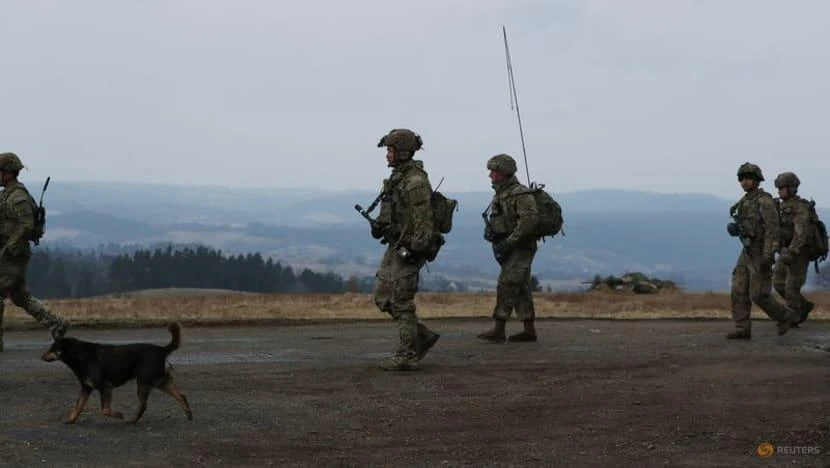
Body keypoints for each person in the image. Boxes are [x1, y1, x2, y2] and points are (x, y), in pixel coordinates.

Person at [370, 129, 440, 370]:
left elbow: (424, 220)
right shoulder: (397, 179)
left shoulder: (415, 182)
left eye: (390, 150)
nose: (387, 155)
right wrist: (380, 226)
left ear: (403, 152)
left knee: (402, 300)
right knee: (382, 295)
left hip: (409, 248)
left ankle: (407, 354)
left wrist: (416, 249)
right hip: (396, 244)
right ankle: (422, 336)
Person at [0, 152, 70, 352]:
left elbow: (27, 224)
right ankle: (57, 323)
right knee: (21, 296)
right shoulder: (8, 194)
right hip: (11, 253)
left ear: (7, 173)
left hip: (12, 255)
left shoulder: (18, 197)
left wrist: (10, 247)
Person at [726, 162, 798, 339]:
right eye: (742, 179)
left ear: (757, 180)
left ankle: (784, 316)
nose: (744, 182)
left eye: (748, 178)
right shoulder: (744, 201)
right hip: (747, 250)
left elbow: (772, 230)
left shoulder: (764, 201)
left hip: (760, 251)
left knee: (759, 294)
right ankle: (742, 327)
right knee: (738, 288)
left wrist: (768, 254)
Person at [478, 154, 539, 343]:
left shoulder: (520, 194)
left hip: (520, 247)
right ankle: (529, 330)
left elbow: (529, 222)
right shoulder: (501, 194)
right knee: (520, 287)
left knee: (507, 284)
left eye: (494, 171)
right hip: (508, 247)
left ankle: (499, 328)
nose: (490, 175)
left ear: (504, 173)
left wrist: (510, 241)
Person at [772, 171, 815, 326]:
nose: (779, 191)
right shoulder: (779, 206)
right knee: (777, 283)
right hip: (784, 250)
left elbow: (800, 232)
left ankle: (793, 316)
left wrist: (793, 251)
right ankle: (803, 307)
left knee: (792, 286)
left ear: (792, 188)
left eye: (782, 187)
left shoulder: (800, 207)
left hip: (799, 253)